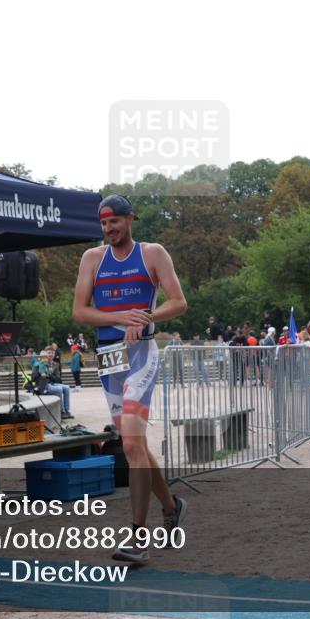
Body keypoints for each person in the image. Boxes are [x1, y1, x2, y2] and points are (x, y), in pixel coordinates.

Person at [72, 193, 187, 563]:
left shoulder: (152, 253)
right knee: (136, 446)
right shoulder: (92, 259)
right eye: (104, 224)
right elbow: (80, 312)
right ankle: (171, 507)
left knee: (132, 446)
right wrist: (122, 317)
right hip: (109, 361)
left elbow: (178, 302)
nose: (108, 229)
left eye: (114, 222)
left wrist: (146, 318)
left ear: (130, 219)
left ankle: (138, 538)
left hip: (140, 358)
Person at [33, 351, 73, 419]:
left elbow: (58, 379)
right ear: (40, 358)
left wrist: (49, 375)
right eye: (43, 357)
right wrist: (39, 372)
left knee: (66, 388)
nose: (45, 359)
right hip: (42, 386)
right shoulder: (37, 365)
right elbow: (33, 378)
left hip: (51, 384)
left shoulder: (49, 365)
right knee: (58, 389)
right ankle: (61, 411)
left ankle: (67, 410)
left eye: (46, 357)